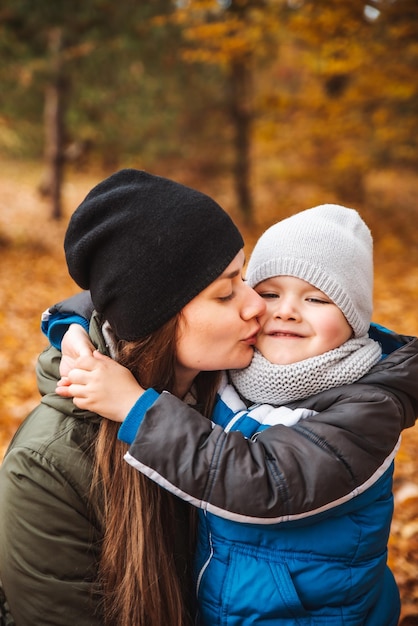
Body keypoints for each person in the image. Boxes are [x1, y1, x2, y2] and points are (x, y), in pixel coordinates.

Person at [47, 205, 418, 625]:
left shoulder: (368, 406)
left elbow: (263, 480)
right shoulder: (239, 365)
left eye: (316, 299)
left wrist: (137, 409)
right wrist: (74, 329)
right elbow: (144, 290)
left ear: (354, 322)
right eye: (270, 293)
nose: (287, 311)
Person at [0, 168, 265, 626]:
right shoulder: (48, 469)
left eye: (245, 279)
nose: (256, 304)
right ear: (157, 321)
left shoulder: (240, 391)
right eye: (225, 293)